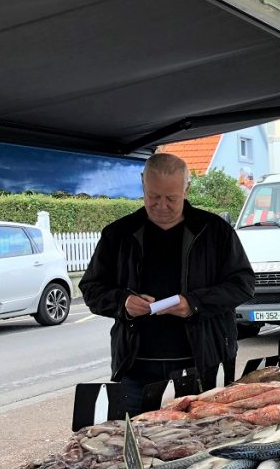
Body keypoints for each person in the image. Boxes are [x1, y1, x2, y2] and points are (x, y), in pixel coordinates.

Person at [81, 153, 255, 417]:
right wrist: (124, 302)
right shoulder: (118, 234)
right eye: (153, 196)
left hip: (203, 365)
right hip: (135, 369)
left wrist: (194, 304)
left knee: (202, 445)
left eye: (171, 198)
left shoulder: (215, 231)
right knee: (137, 442)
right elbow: (92, 288)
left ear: (187, 188)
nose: (161, 205)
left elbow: (243, 284)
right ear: (143, 184)